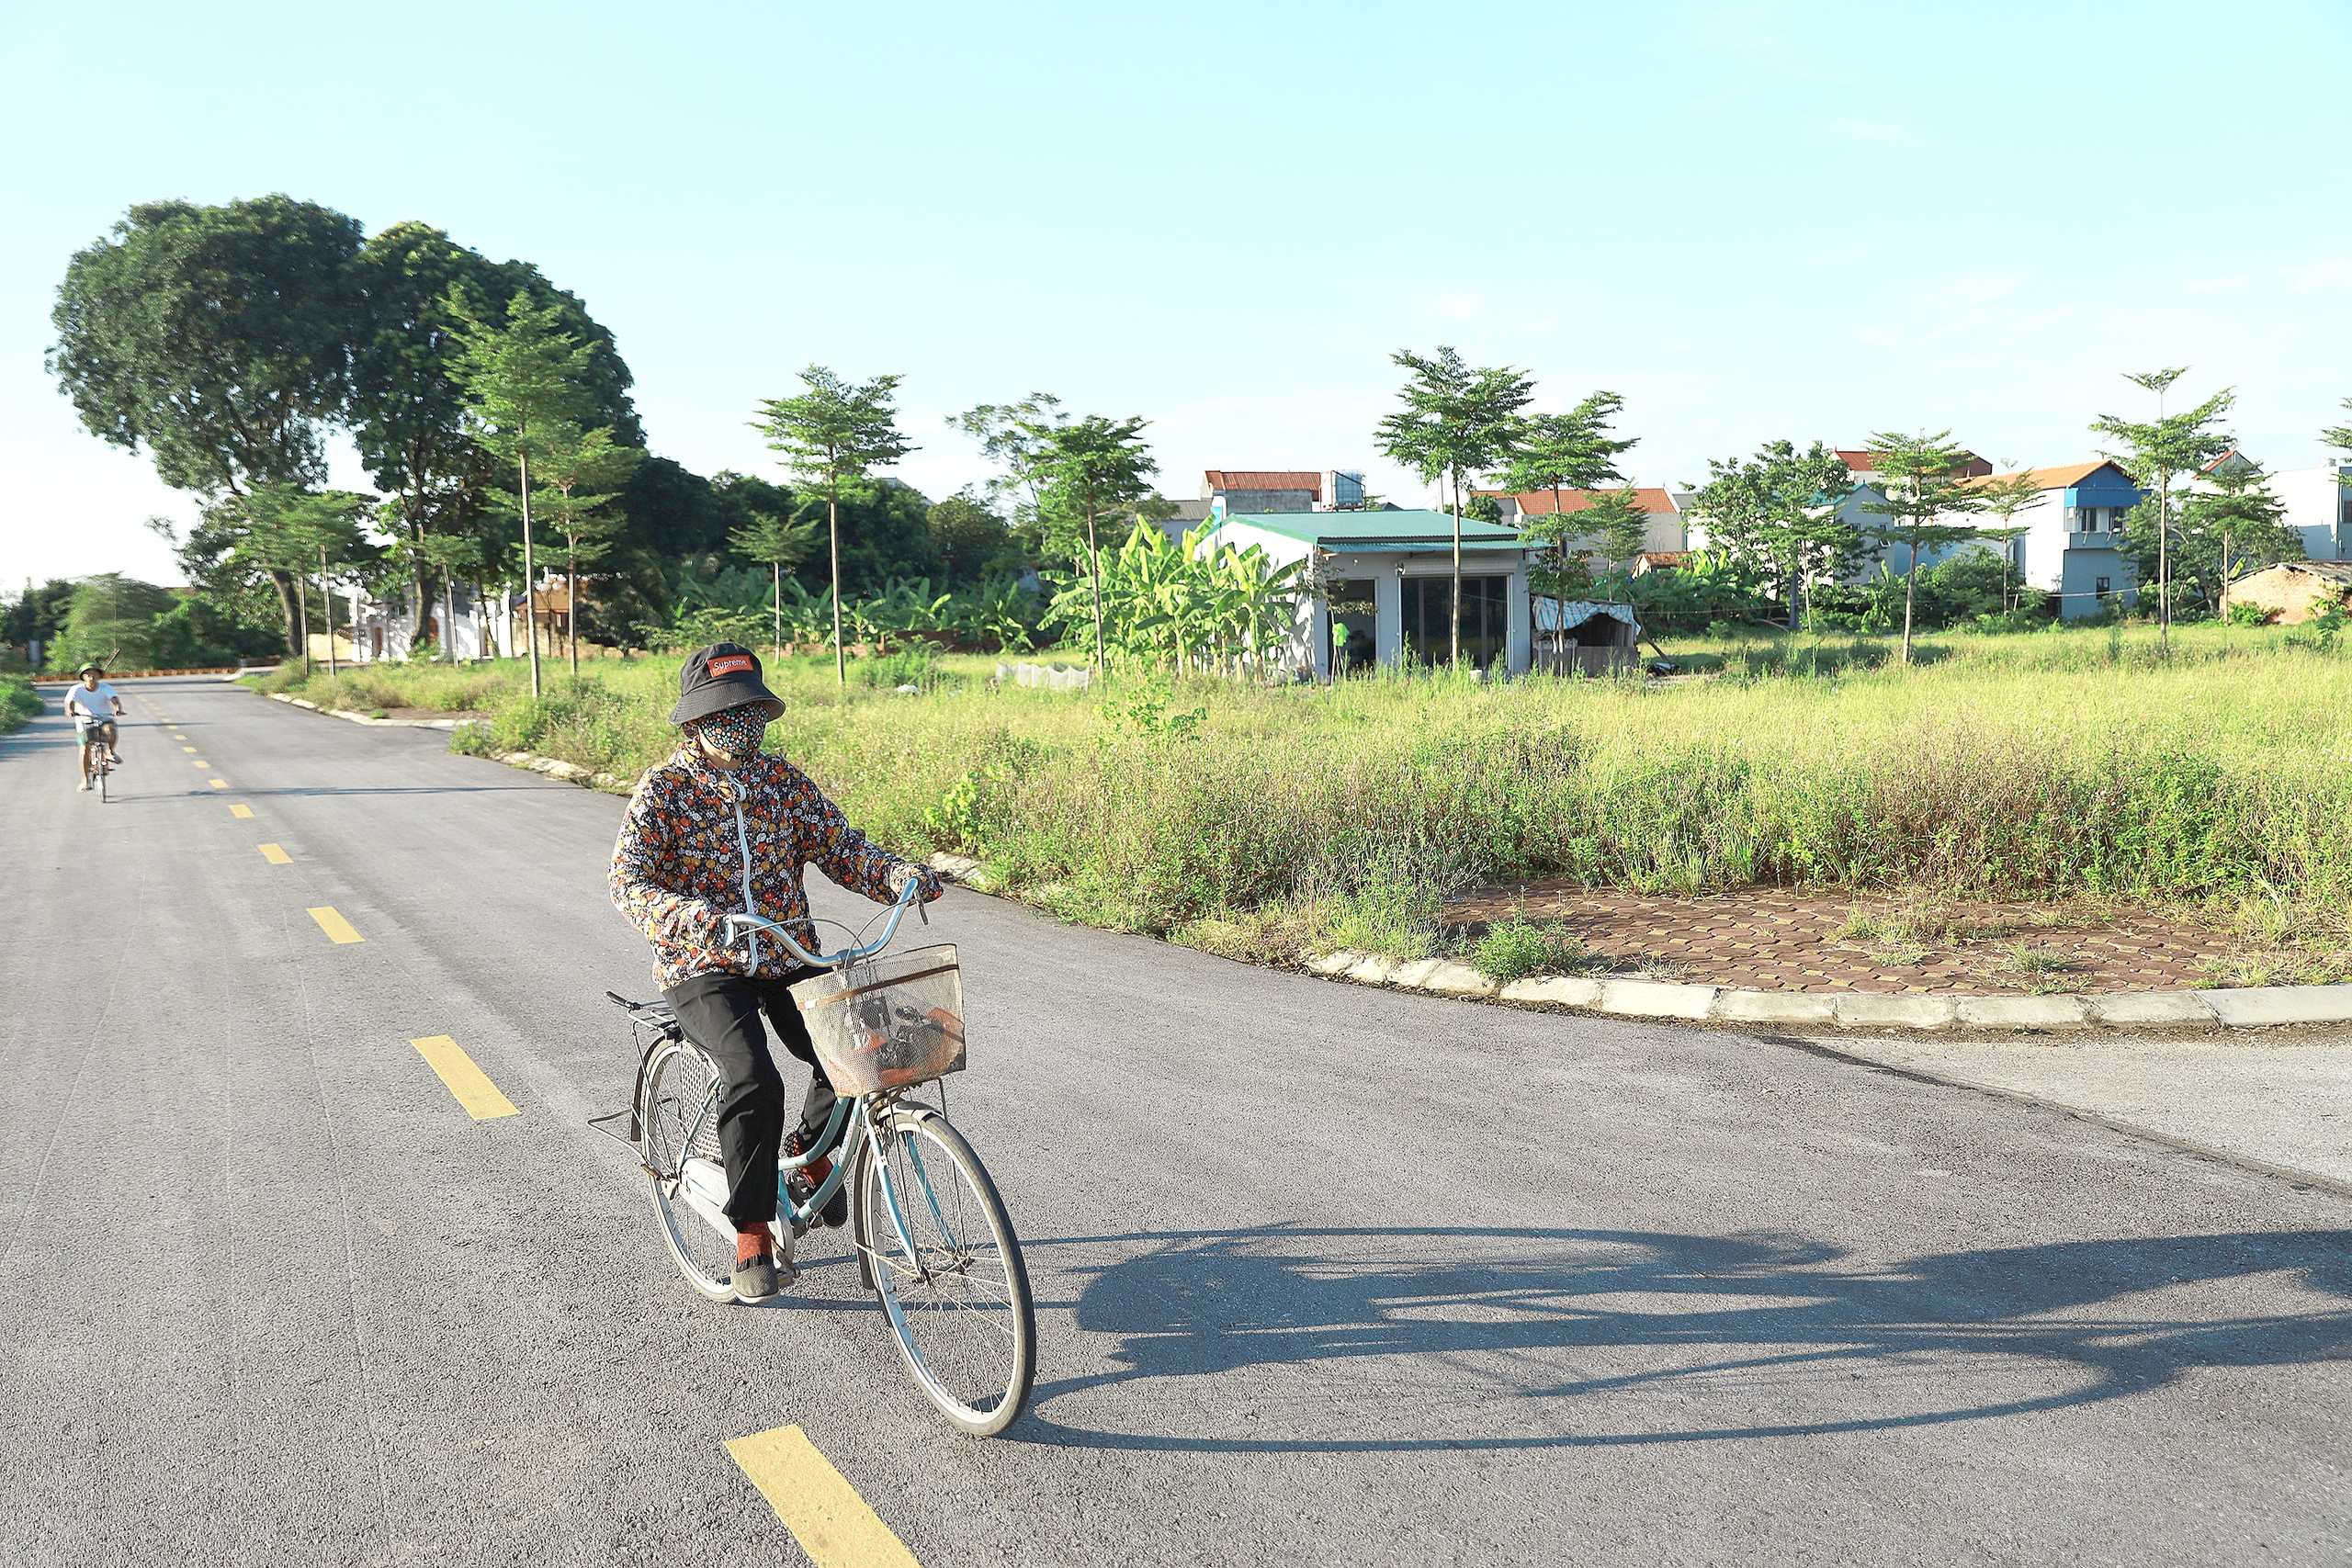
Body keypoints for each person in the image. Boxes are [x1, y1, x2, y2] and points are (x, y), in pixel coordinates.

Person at [609, 643, 942, 1303]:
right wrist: (697, 918)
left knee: (864, 1050)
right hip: (706, 963)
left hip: (790, 952)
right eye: (726, 712)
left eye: (751, 709)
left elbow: (842, 848)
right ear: (695, 723)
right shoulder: (665, 791)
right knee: (753, 1076)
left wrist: (899, 875)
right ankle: (753, 1228)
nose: (742, 723)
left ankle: (813, 1158)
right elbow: (628, 882)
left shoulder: (782, 783)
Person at [63, 664, 125, 792]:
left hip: (104, 718)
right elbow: (70, 702)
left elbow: (115, 700)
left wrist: (117, 709)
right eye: (87, 674)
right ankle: (85, 780)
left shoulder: (105, 688)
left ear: (99, 676)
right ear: (83, 677)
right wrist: (70, 711)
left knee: (111, 730)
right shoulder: (77, 689)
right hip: (84, 720)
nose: (91, 677)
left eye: (94, 674)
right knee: (85, 748)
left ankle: (110, 752)